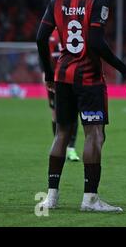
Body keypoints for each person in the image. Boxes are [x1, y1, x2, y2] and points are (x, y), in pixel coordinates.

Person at [36, 0, 126, 212]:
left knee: (62, 133)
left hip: (62, 76)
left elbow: (40, 38)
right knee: (94, 134)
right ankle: (90, 199)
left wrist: (48, 72)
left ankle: (51, 197)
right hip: (89, 78)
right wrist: (125, 70)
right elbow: (94, 42)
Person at [46, 29, 80, 162]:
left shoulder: (74, 29)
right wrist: (47, 74)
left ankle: (71, 147)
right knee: (55, 113)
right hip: (56, 79)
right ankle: (60, 144)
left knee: (74, 111)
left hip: (73, 77)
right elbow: (46, 56)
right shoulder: (52, 36)